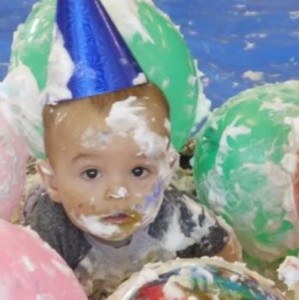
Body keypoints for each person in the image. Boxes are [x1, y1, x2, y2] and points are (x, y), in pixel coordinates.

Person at [24, 82, 242, 299]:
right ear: (53, 183)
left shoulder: (180, 218)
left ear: (168, 169)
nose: (119, 193)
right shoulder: (49, 233)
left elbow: (226, 254)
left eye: (138, 171)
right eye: (91, 173)